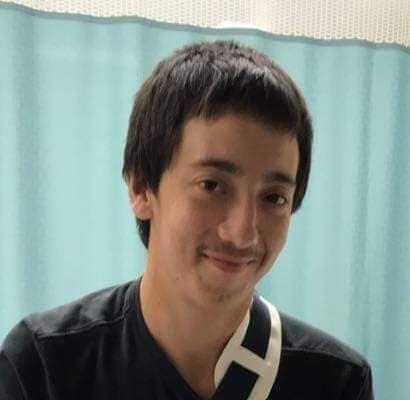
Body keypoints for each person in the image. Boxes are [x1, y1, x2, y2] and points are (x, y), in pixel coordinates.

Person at [0, 39, 374, 399]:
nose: (243, 233)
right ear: (141, 189)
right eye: (212, 186)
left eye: (273, 198)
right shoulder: (44, 366)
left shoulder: (335, 382)